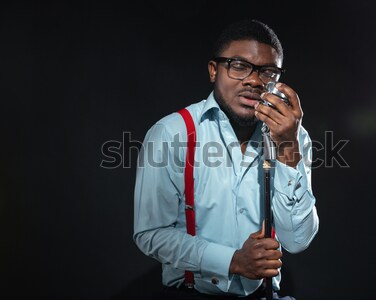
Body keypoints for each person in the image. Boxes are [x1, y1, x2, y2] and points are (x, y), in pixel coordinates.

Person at [133, 19, 319, 299]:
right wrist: (232, 260)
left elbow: (298, 240)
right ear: (213, 70)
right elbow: (151, 233)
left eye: (267, 71)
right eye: (239, 65)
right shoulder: (172, 132)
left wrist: (288, 149)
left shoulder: (293, 137)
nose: (255, 80)